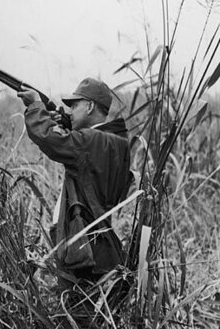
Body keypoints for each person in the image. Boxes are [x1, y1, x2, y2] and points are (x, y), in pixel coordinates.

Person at [17, 77, 134, 288]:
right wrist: (66, 124)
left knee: (79, 314)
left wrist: (36, 106)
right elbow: (86, 152)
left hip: (83, 248)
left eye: (75, 105)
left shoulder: (92, 141)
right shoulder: (115, 142)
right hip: (98, 246)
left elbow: (51, 140)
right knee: (89, 313)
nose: (70, 111)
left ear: (90, 106)